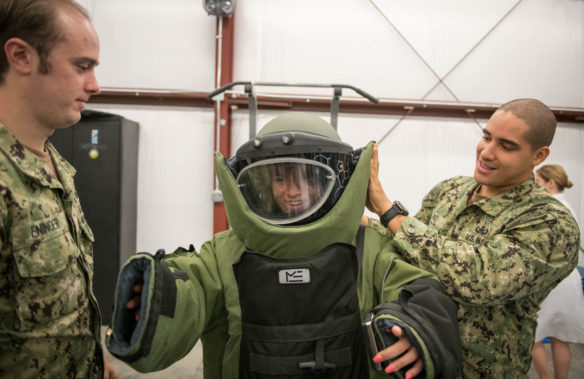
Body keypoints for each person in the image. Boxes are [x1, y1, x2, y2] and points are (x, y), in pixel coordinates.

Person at [105, 112, 462, 378]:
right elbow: (193, 288)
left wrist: (415, 330)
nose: (293, 191)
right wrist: (158, 296)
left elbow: (420, 290)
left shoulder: (369, 248)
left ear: (337, 180)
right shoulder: (226, 252)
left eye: (310, 178)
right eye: (279, 178)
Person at [364, 98, 581, 377]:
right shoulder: (450, 190)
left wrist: (387, 210)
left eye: (506, 146)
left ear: (538, 156)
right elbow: (406, 254)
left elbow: (479, 279)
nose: (487, 152)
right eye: (486, 137)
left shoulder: (550, 222)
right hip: (423, 352)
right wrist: (366, 222)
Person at [0, 1, 117, 378]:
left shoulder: (53, 163)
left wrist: (92, 362)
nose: (94, 85)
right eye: (81, 66)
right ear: (21, 56)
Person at [531, 164, 584, 379]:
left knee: (533, 339)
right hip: (569, 280)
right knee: (560, 338)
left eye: (537, 181)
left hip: (548, 282)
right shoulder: (569, 208)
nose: (533, 185)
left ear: (550, 183)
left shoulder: (545, 207)